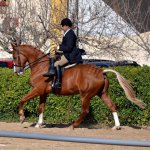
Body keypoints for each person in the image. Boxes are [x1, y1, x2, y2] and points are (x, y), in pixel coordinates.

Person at [43, 18, 82, 88]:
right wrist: (57, 50)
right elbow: (65, 47)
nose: (62, 28)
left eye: (63, 26)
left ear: (66, 26)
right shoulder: (67, 33)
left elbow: (69, 47)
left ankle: (58, 82)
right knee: (53, 57)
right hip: (67, 54)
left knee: (56, 64)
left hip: (70, 56)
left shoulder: (70, 34)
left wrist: (58, 48)